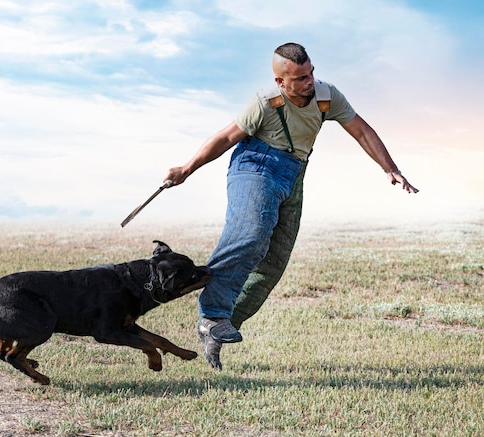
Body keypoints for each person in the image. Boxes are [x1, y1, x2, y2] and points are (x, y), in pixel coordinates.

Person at [163, 42, 419, 370]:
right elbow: (226, 138)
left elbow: (361, 130)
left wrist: (389, 168)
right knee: (251, 234)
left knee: (273, 262)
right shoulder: (264, 103)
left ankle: (220, 327)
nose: (309, 82)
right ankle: (211, 313)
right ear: (280, 81)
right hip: (255, 164)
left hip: (294, 172)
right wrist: (187, 168)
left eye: (311, 73)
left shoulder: (328, 96)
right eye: (299, 78)